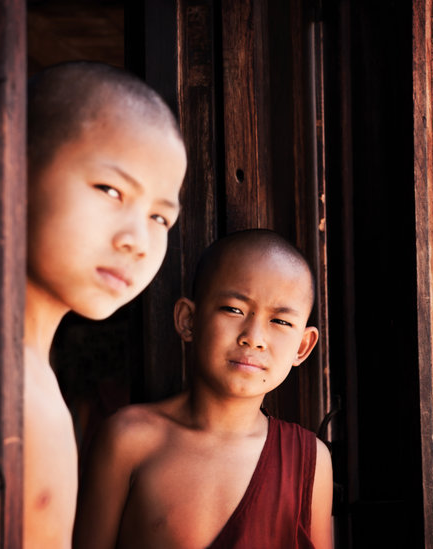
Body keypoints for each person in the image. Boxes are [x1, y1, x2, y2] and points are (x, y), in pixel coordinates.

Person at [73, 229, 334, 549]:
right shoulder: (129, 439)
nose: (254, 337)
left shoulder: (309, 461)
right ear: (188, 320)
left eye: (279, 322)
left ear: (302, 347)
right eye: (234, 309)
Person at [24, 61, 187, 548]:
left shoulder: (32, 378)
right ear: (16, 168)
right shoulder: (13, 390)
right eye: (111, 190)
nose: (139, 241)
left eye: (160, 217)